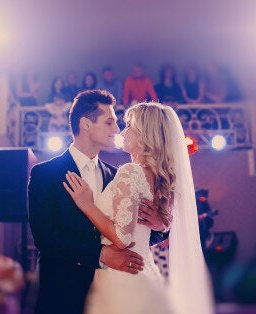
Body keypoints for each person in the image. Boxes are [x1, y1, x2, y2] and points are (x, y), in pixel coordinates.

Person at [64, 102, 214, 313]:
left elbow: (123, 239)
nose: (122, 132)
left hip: (122, 277)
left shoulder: (131, 172)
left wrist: (88, 205)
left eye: (129, 126)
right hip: (144, 272)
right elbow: (155, 225)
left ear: (145, 134)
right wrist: (161, 225)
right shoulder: (160, 178)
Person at [28, 90, 169, 314]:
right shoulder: (45, 174)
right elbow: (46, 238)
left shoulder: (118, 176)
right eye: (109, 122)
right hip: (63, 294)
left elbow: (135, 233)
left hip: (114, 292)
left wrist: (160, 227)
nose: (116, 129)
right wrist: (101, 254)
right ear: (86, 124)